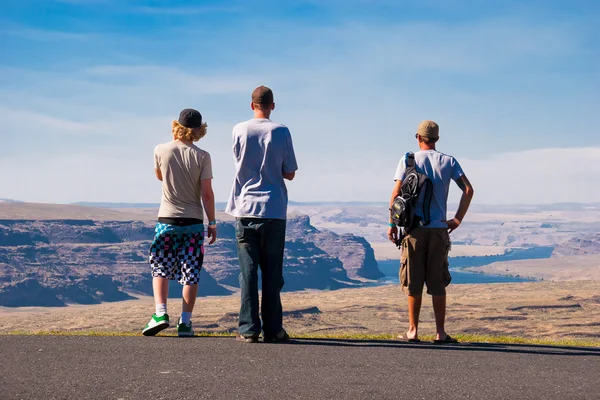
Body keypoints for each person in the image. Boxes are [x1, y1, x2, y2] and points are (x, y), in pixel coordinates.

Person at [388, 120, 474, 344]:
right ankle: (440, 333)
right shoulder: (448, 161)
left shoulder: (408, 160)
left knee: (413, 281)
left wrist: (392, 225)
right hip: (438, 230)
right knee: (437, 283)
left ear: (418, 137)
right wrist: (456, 220)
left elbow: (396, 193)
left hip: (413, 231)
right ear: (437, 139)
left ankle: (413, 331)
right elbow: (468, 189)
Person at [226, 86, 298, 343]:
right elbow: (290, 172)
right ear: (272, 105)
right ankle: (273, 329)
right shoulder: (281, 131)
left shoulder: (239, 129)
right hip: (274, 210)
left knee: (247, 273)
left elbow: (238, 161)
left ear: (251, 105)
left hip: (244, 209)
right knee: (272, 274)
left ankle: (247, 330)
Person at [143, 108, 217, 337]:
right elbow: (207, 194)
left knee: (160, 267)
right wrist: (212, 223)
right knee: (190, 271)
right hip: (194, 222)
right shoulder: (203, 156)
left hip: (167, 219)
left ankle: (160, 312)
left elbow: (159, 176)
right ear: (198, 130)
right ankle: (185, 322)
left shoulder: (160, 150)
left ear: (177, 126)